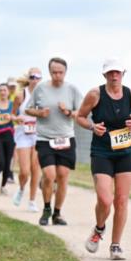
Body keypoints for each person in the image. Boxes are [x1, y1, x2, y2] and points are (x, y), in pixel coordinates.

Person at [76, 59, 131, 260]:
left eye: (117, 72)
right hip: (101, 152)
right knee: (105, 199)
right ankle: (99, 229)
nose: (114, 76)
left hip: (125, 152)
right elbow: (80, 117)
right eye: (110, 73)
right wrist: (92, 127)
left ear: (123, 73)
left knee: (122, 200)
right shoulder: (95, 94)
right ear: (104, 75)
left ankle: (115, 245)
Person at [27, 57, 81, 226]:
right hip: (45, 138)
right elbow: (28, 109)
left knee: (63, 176)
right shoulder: (40, 88)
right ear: (49, 72)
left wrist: (68, 112)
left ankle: (57, 213)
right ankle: (47, 208)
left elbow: (81, 113)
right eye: (54, 72)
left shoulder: (72, 89)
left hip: (65, 138)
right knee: (49, 175)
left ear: (65, 72)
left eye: (60, 72)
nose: (57, 75)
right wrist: (39, 113)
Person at [12, 69, 43, 212]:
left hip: (38, 134)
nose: (35, 79)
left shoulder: (44, 95)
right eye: (33, 77)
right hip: (23, 133)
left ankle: (32, 201)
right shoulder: (21, 95)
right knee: (25, 171)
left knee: (36, 168)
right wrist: (17, 118)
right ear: (29, 79)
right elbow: (11, 115)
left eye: (38, 77)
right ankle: (21, 188)